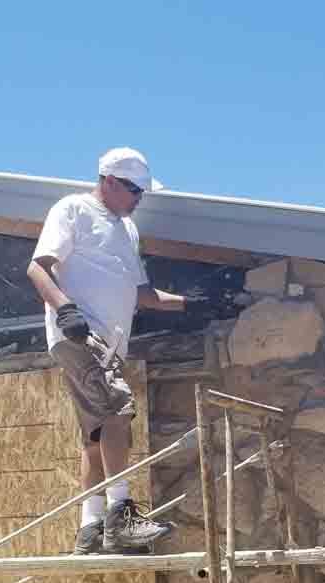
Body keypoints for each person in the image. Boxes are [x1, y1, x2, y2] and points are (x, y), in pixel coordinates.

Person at [26, 148, 231, 555]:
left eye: (142, 191)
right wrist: (65, 310)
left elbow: (141, 293)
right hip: (82, 334)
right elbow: (37, 267)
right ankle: (121, 518)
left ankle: (91, 527)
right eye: (134, 189)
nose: (139, 198)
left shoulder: (128, 230)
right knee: (119, 408)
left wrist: (191, 304)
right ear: (109, 181)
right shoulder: (74, 210)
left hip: (109, 344)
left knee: (97, 434)